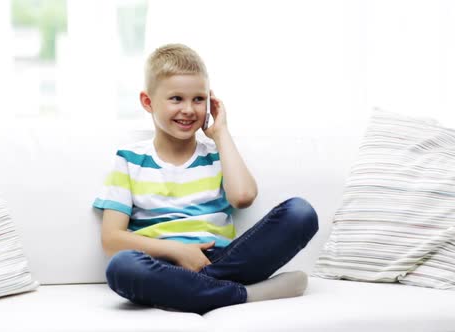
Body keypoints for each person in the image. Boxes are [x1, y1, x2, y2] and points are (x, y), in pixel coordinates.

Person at [93, 43, 318, 314]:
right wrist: (177, 250)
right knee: (122, 267)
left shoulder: (216, 154)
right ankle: (246, 294)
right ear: (148, 102)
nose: (188, 109)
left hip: (224, 260)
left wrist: (221, 133)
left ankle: (195, 292)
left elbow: (243, 197)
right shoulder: (128, 159)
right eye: (176, 98)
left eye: (198, 99)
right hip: (162, 265)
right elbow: (111, 240)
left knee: (301, 213)